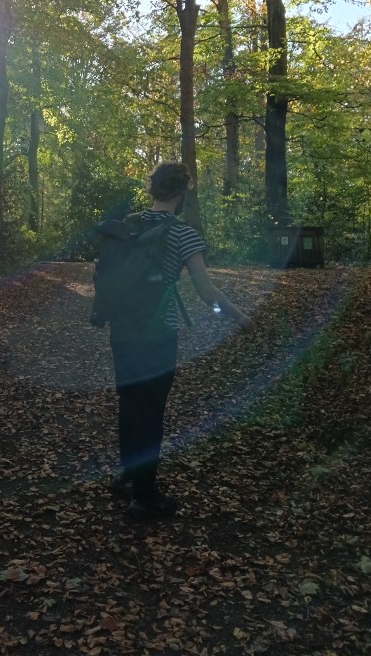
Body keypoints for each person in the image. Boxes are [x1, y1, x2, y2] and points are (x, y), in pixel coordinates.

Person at [108, 161, 252, 521]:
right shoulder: (183, 234)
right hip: (158, 335)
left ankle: (129, 477)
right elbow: (206, 291)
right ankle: (144, 498)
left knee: (130, 404)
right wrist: (238, 317)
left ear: (153, 188)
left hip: (122, 330)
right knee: (151, 413)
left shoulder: (129, 225)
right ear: (180, 192)